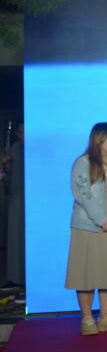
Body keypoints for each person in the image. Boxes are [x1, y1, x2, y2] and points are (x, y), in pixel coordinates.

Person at [65, 122, 107, 335]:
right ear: (98, 139)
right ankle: (87, 319)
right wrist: (102, 220)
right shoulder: (83, 162)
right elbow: (83, 195)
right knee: (85, 273)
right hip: (88, 226)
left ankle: (106, 317)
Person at [2, 121, 25, 289]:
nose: (23, 136)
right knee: (15, 237)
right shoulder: (16, 148)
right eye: (21, 133)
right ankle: (15, 278)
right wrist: (6, 164)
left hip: (34, 199)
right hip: (17, 198)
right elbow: (8, 169)